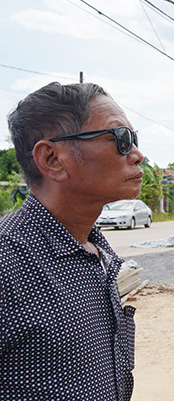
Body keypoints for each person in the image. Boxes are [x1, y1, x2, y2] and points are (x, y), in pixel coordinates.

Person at [1, 82, 142, 400]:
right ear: (51, 159)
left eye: (134, 139)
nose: (137, 155)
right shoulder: (7, 261)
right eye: (120, 139)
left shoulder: (95, 250)